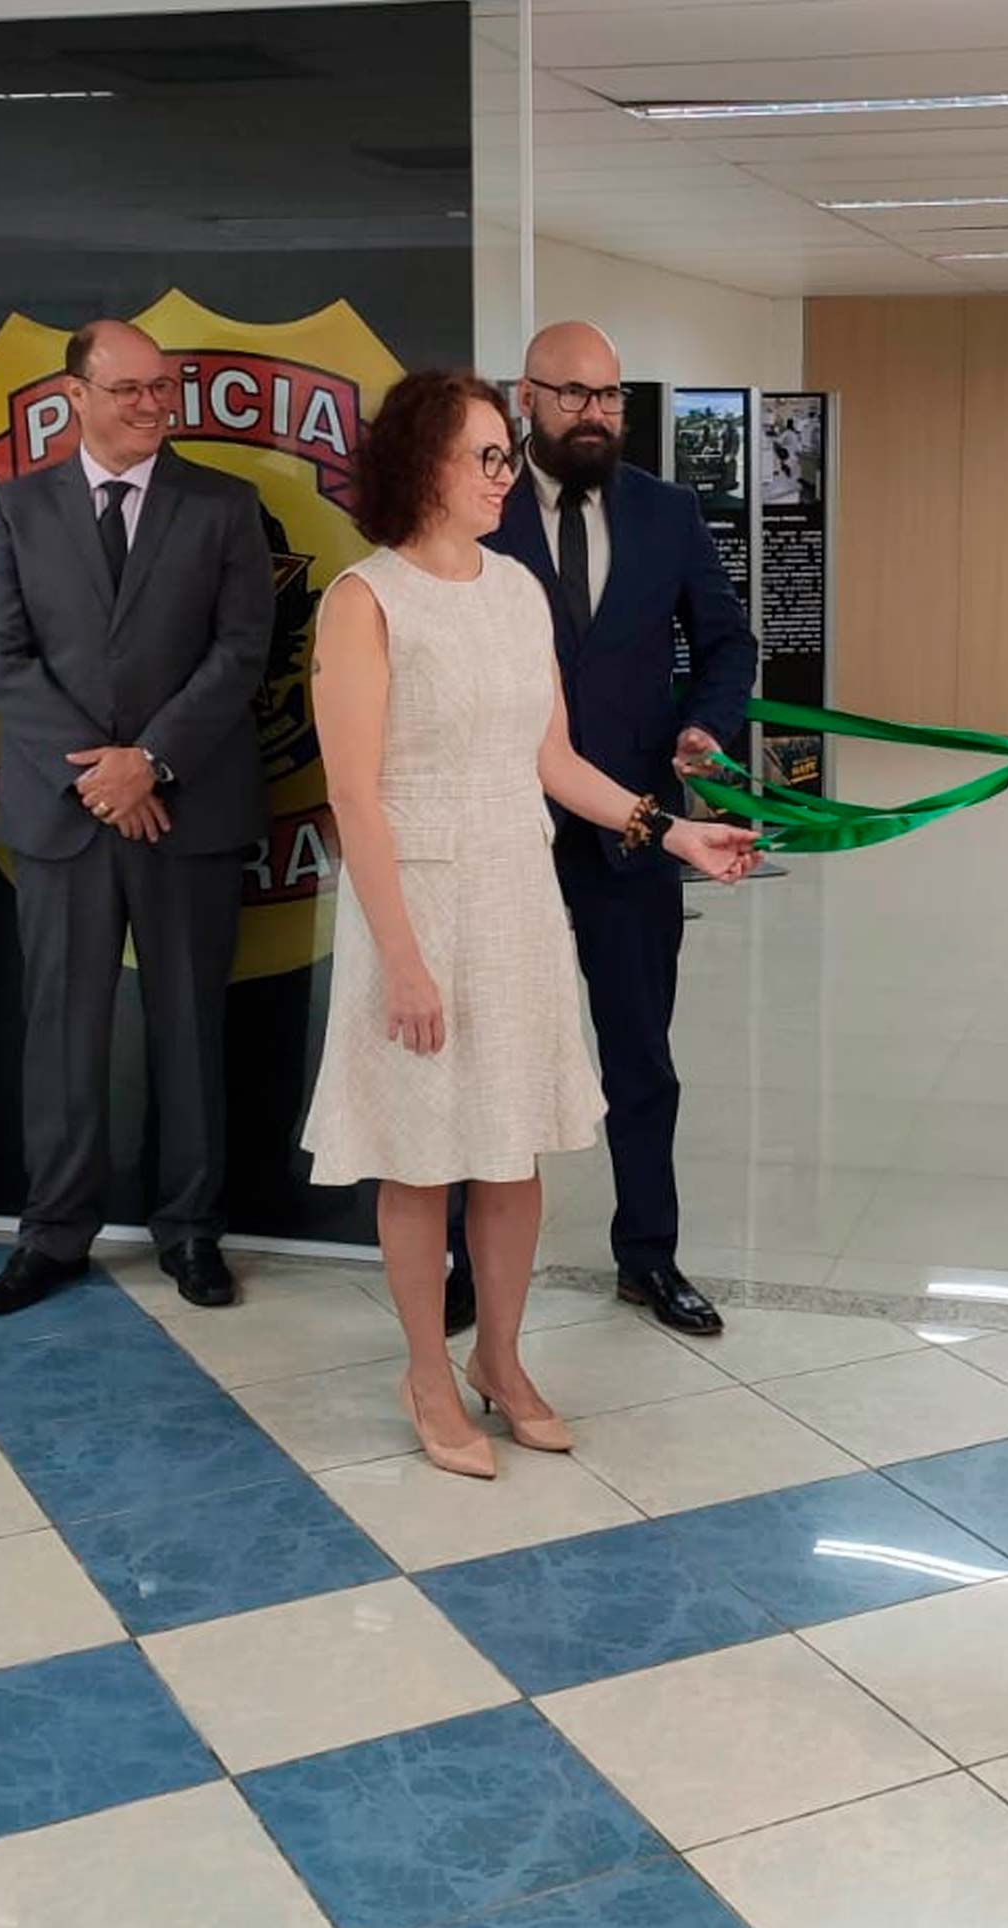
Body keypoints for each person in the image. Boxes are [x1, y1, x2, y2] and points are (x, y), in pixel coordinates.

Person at [303, 371, 758, 1479]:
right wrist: (402, 961)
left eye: (507, 455)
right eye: (487, 456)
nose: (507, 474)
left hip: (515, 896)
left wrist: (674, 832)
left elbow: (552, 760)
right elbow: (354, 794)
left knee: (511, 1150)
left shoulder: (516, 589)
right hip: (415, 904)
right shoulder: (365, 600)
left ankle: (500, 1360)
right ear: (423, 465)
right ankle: (427, 1372)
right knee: (422, 1158)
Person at [445, 320, 758, 1339]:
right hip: (502, 822)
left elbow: (728, 642)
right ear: (526, 397)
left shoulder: (667, 512)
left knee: (640, 1050)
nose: (596, 413)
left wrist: (706, 726)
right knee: (486, 1045)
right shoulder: (475, 509)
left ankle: (649, 1255)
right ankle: (464, 1262)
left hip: (635, 823)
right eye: (574, 394)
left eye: (611, 395)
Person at [0, 319, 274, 1317]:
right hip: (65, 818)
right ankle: (53, 1235)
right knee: (61, 1033)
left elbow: (242, 650)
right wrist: (101, 778)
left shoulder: (225, 504)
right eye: (129, 388)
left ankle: (191, 1231)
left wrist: (150, 762)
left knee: (190, 1028)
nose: (152, 405)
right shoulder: (17, 509)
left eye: (162, 388)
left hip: (187, 810)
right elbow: (1, 658)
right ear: (76, 395)